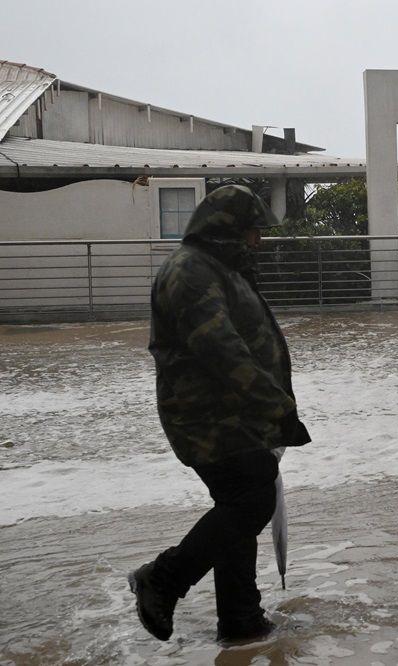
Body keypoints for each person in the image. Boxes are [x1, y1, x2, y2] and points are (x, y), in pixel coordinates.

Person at [128, 184, 310, 644]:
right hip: (208, 420)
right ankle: (163, 578)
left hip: (232, 416)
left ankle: (240, 620)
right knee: (252, 499)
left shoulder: (216, 268)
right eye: (253, 231)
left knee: (239, 504)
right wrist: (276, 406)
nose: (258, 241)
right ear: (228, 229)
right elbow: (222, 350)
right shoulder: (190, 272)